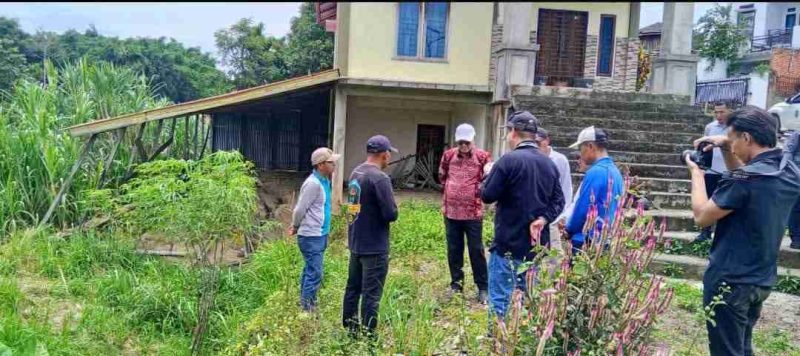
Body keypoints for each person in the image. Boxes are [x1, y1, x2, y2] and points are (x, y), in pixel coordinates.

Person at [686, 106, 800, 356]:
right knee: (741, 347)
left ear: (747, 137)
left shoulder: (743, 181)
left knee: (726, 351)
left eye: (733, 139)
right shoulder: (790, 171)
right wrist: (727, 146)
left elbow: (702, 217)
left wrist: (697, 173)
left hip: (730, 281)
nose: (732, 146)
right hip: (760, 279)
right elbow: (743, 177)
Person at [480, 111, 564, 320]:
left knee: (501, 299)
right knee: (527, 298)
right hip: (535, 248)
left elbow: (487, 195)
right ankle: (520, 342)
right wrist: (543, 219)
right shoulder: (549, 164)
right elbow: (559, 201)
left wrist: (488, 174)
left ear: (513, 133)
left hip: (507, 245)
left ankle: (498, 344)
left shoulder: (507, 162)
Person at [342, 135, 399, 337]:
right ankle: (368, 338)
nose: (389, 157)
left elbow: (351, 208)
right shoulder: (380, 178)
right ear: (385, 155)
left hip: (356, 241)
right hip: (374, 245)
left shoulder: (355, 172)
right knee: (371, 294)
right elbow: (391, 214)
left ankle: (350, 329)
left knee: (353, 287)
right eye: (389, 154)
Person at [438, 123, 491, 303]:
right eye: (460, 142)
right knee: (454, 249)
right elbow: (442, 176)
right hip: (451, 212)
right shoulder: (448, 155)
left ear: (473, 140)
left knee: (476, 250)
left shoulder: (483, 157)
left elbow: (487, 179)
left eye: (467, 142)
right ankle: (456, 285)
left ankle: (483, 287)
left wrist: (475, 192)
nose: (463, 146)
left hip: (473, 213)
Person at [289, 147, 339, 312]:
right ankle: (307, 310)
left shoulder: (324, 181)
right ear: (321, 165)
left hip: (319, 234)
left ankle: (304, 303)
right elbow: (299, 209)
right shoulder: (312, 184)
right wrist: (295, 226)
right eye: (331, 163)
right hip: (311, 236)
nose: (334, 165)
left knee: (310, 269)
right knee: (315, 273)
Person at [564, 126, 624, 255]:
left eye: (581, 149)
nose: (580, 154)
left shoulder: (595, 172)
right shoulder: (615, 172)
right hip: (604, 239)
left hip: (586, 241)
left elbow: (582, 208)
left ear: (590, 146)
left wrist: (568, 229)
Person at [695, 102, 732, 243]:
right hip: (711, 169)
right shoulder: (710, 127)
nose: (719, 115)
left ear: (729, 112)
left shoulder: (734, 129)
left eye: (722, 112)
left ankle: (723, 233)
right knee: (708, 199)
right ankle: (705, 232)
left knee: (725, 203)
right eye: (716, 112)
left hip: (728, 170)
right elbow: (703, 148)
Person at [535, 128, 573, 250]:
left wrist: (563, 216)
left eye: (539, 142)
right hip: (535, 214)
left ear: (547, 141)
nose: (536, 145)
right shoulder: (531, 158)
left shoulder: (559, 159)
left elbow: (566, 188)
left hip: (554, 214)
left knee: (554, 255)